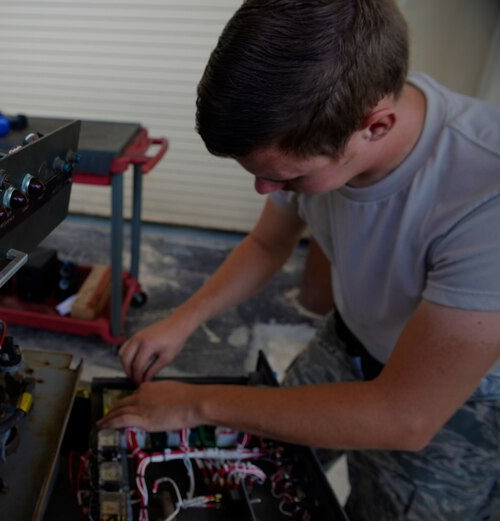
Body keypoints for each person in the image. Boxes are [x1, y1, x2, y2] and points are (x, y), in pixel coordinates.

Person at [97, 1, 500, 519]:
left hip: (453, 398)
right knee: (274, 463)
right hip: (348, 340)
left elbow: (406, 417)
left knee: (387, 508)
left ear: (375, 126)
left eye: (287, 178)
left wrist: (196, 402)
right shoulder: (328, 105)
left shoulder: (483, 196)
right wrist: (184, 319)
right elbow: (269, 243)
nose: (267, 189)